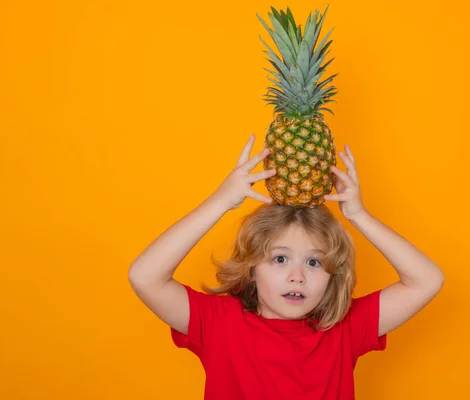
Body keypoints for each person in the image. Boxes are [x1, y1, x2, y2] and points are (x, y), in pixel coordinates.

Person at [128, 134, 445, 399]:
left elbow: (426, 280)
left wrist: (359, 216)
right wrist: (221, 201)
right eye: (280, 259)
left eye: (314, 261)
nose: (298, 277)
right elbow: (144, 276)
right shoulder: (220, 324)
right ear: (252, 268)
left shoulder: (345, 329)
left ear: (332, 272)